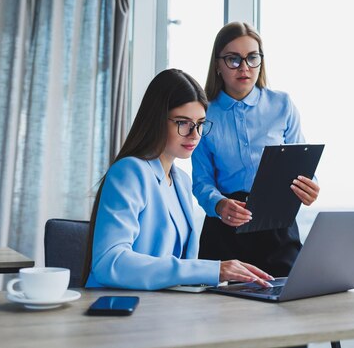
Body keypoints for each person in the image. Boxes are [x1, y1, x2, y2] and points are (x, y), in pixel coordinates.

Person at [82, 68, 273, 290]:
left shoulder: (181, 181)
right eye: (183, 123)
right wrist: (212, 269)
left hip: (164, 309)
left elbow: (182, 267)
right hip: (116, 309)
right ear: (156, 120)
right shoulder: (130, 172)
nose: (195, 134)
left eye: (200, 123)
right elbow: (109, 262)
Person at [192, 22, 320, 277]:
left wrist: (310, 186)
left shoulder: (282, 104)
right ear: (217, 64)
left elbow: (302, 164)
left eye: (252, 57)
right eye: (233, 59)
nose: (244, 67)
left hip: (277, 228)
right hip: (225, 229)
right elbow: (201, 181)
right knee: (224, 313)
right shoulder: (202, 112)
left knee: (288, 307)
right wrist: (218, 205)